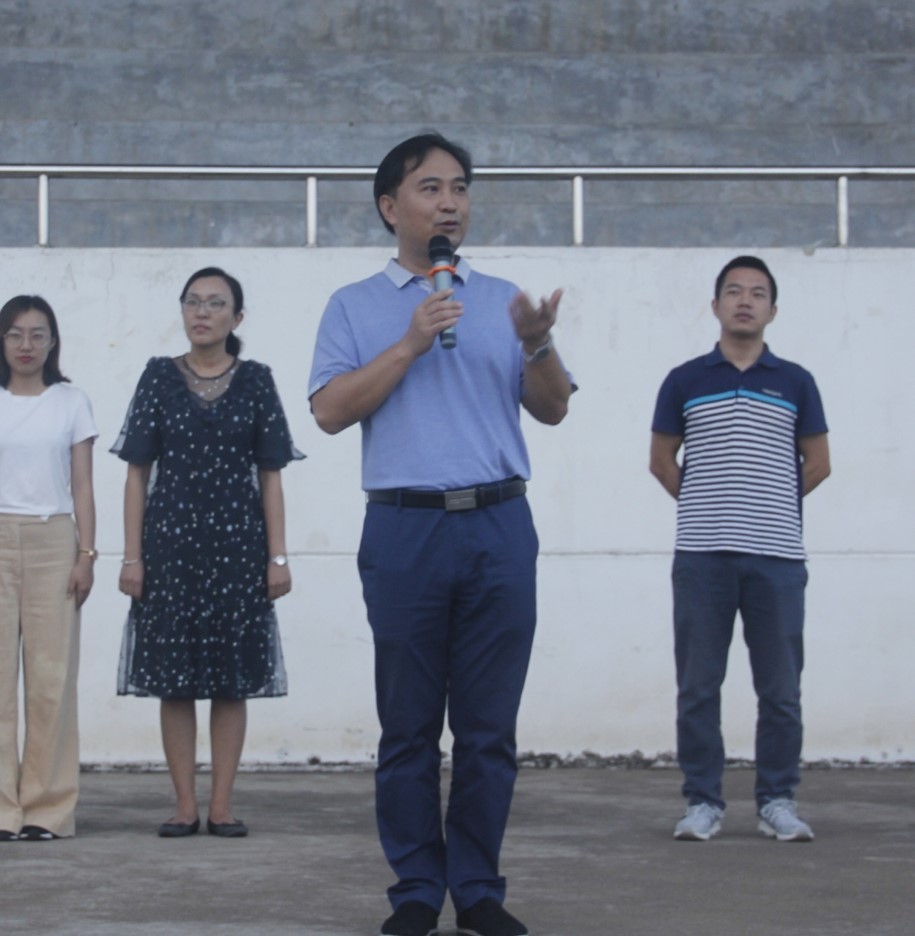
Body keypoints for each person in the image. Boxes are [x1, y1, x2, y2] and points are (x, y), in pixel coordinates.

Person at [309, 132, 574, 936]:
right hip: (405, 529)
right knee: (409, 727)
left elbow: (554, 405)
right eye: (430, 188)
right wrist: (412, 339)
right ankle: (417, 890)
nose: (449, 201)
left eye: (459, 187)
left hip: (498, 523)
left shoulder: (503, 299)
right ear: (391, 206)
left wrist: (537, 341)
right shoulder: (354, 305)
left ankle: (480, 890)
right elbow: (328, 411)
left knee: (489, 729)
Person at [113, 267, 302, 839]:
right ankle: (183, 805)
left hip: (238, 550)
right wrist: (130, 557)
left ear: (236, 318)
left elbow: (271, 476)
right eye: (193, 302)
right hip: (168, 550)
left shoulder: (258, 381)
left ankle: (221, 805)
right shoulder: (156, 378)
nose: (202, 312)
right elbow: (136, 476)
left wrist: (278, 557)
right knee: (173, 679)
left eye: (216, 303)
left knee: (229, 679)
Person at [650, 255, 831, 844]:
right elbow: (661, 461)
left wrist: (768, 502)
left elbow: (819, 464)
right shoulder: (685, 379)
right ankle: (703, 802)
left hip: (777, 558)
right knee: (698, 687)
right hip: (702, 557)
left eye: (757, 293)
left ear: (773, 310)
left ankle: (777, 799)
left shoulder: (795, 381)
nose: (745, 300)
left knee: (780, 690)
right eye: (733, 291)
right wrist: (710, 503)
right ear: (715, 305)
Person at [0, 295, 97, 842]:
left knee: (50, 680)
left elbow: (82, 484)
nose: (26, 346)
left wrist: (86, 554)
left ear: (53, 342)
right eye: (15, 334)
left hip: (54, 539)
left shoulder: (70, 401)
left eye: (38, 335)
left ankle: (47, 809)